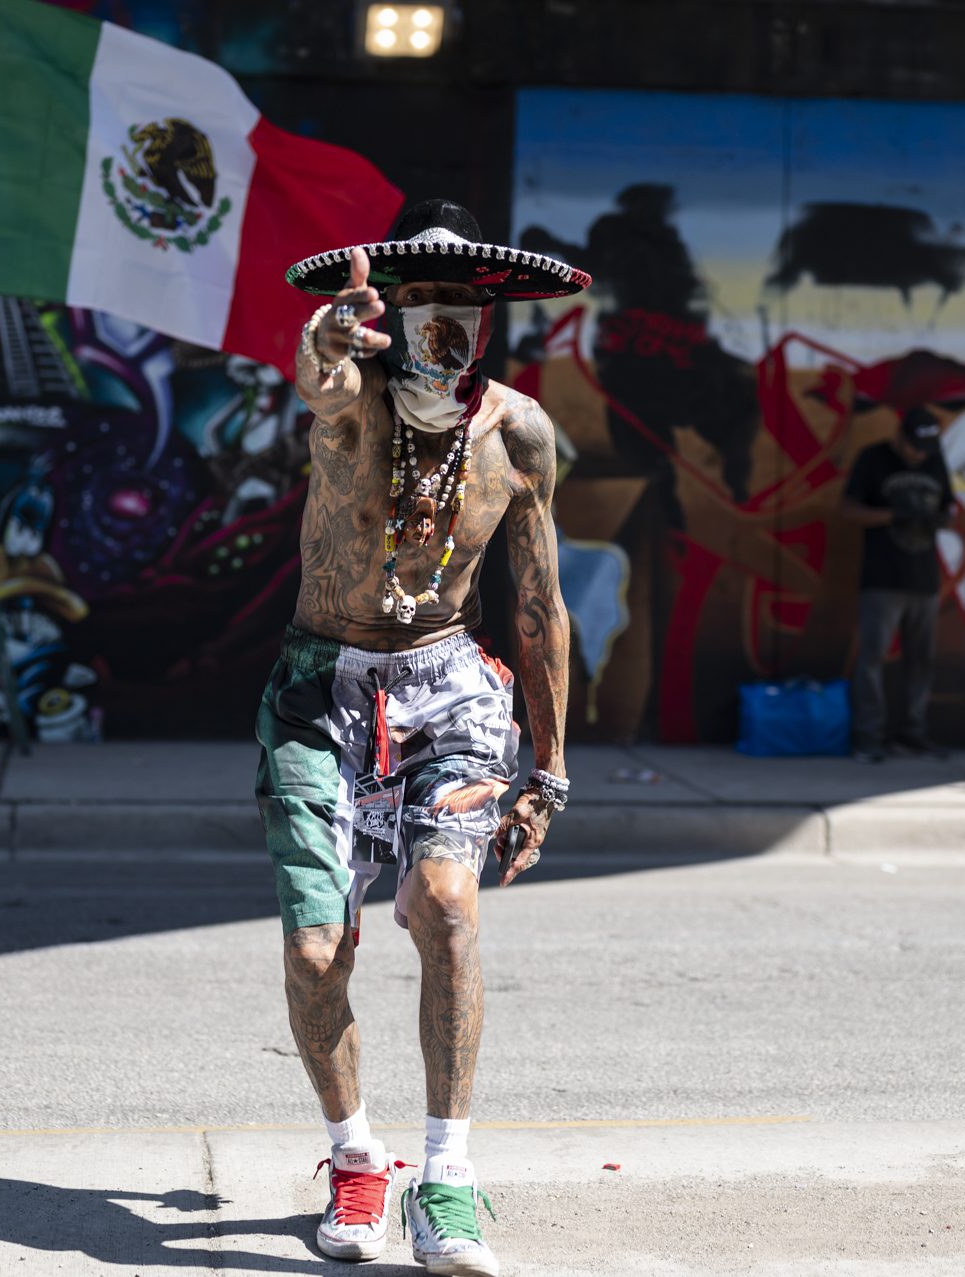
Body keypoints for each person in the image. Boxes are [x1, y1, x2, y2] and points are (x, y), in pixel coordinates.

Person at [264, 200, 587, 1275]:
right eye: (416, 302)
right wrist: (325, 337)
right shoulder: (354, 400)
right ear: (389, 312)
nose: (438, 321)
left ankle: (446, 1178)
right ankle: (356, 1154)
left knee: (446, 905)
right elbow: (322, 381)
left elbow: (539, 605)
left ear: (488, 317)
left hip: (449, 685)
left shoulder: (521, 433)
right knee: (319, 947)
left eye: (460, 303)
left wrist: (547, 769)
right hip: (322, 690)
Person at [840, 406, 955, 763]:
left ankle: (912, 732)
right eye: (914, 448)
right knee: (872, 657)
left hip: (924, 578)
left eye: (926, 449)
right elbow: (847, 510)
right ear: (899, 436)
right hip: (882, 578)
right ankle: (868, 736)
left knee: (921, 660)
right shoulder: (874, 459)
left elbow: (950, 511)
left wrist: (936, 519)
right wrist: (893, 515)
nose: (920, 455)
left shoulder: (935, 461)